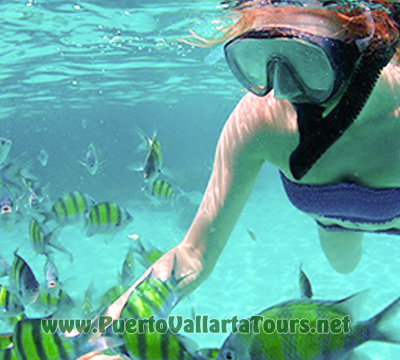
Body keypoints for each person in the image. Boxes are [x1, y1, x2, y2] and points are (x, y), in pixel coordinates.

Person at [107, 0, 400, 321]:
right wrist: (108, 329)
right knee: (343, 265)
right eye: (258, 58)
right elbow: (192, 255)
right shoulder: (258, 120)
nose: (282, 91)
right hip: (333, 222)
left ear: (365, 50)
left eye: (305, 59)